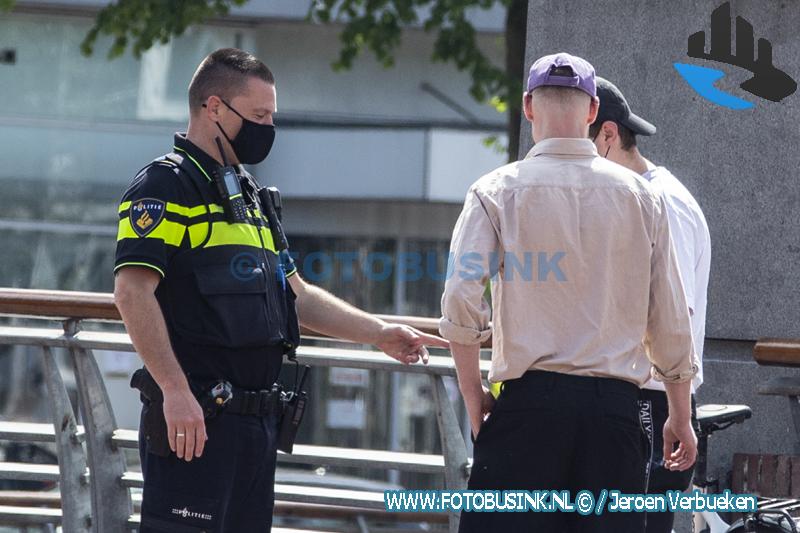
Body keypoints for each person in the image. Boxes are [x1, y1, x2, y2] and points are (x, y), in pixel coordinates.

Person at [114, 47, 447, 532]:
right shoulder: (165, 185)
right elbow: (132, 293)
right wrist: (174, 391)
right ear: (213, 108)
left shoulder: (249, 197)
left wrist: (379, 332)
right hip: (196, 421)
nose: (268, 128)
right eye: (258, 115)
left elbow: (298, 296)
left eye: (272, 115)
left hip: (256, 428)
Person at [439, 52, 698, 533]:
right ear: (593, 109)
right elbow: (670, 316)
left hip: (526, 409)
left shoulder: (493, 191)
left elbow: (460, 295)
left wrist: (473, 392)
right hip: (615, 417)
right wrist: (679, 414)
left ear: (528, 108)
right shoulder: (644, 197)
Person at [591, 76, 711, 533]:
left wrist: (677, 411)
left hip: (654, 396)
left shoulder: (663, 202)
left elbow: (673, 316)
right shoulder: (633, 197)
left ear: (607, 135)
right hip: (640, 395)